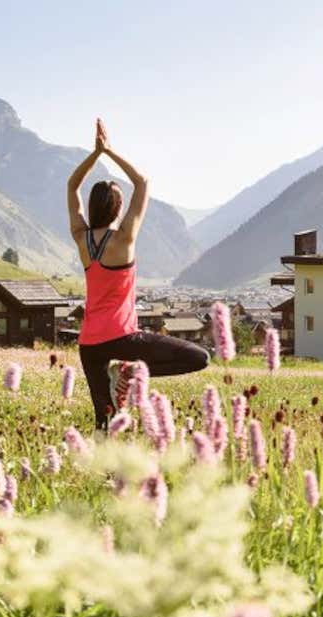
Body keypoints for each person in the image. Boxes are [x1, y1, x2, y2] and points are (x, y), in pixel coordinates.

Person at [68, 119, 209, 430]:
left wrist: (95, 155)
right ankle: (129, 374)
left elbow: (72, 186)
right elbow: (142, 182)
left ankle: (105, 476)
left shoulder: (82, 239)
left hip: (89, 343)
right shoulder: (123, 240)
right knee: (199, 357)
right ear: (119, 208)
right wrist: (109, 151)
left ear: (92, 208)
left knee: (104, 421)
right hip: (123, 338)